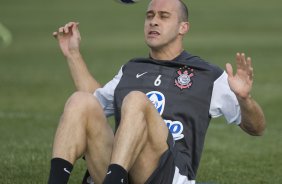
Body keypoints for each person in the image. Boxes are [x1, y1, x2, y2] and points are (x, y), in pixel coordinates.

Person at [48, 0, 266, 183]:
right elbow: (92, 105)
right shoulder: (132, 68)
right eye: (149, 15)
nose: (153, 21)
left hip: (169, 173)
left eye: (163, 16)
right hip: (123, 166)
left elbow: (257, 128)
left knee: (136, 100)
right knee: (79, 101)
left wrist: (244, 99)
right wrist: (73, 55)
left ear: (183, 27)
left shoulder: (207, 74)